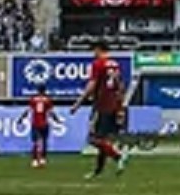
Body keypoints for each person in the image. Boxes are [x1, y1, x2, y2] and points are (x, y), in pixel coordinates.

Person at [71, 43, 130, 179]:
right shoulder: (115, 64)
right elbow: (120, 86)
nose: (93, 54)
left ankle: (118, 155)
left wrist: (78, 103)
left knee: (93, 139)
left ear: (98, 49)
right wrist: (120, 106)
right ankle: (98, 171)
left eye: (94, 51)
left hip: (101, 105)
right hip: (114, 105)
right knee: (103, 140)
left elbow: (92, 85)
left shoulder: (98, 64)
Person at [17, 82, 61, 169]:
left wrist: (21, 118)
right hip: (44, 123)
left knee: (36, 142)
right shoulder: (47, 100)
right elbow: (51, 112)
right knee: (44, 141)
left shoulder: (33, 99)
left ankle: (34, 160)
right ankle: (43, 159)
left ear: (37, 90)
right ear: (44, 90)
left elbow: (28, 111)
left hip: (35, 123)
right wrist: (57, 120)